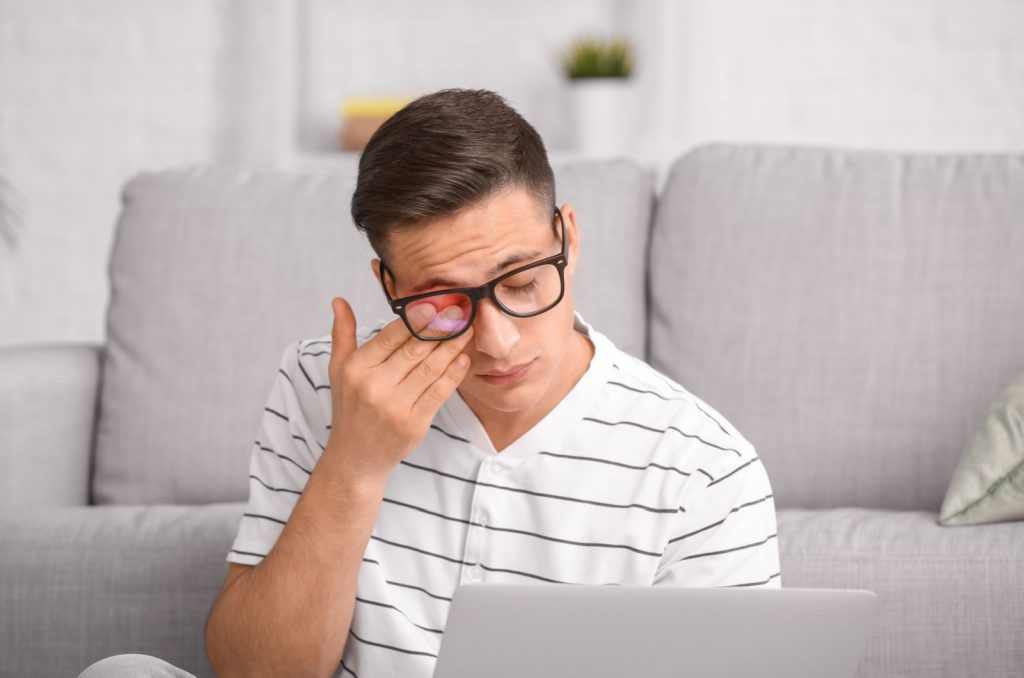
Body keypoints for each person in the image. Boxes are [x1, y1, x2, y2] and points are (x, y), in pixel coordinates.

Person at [79, 88, 780, 678]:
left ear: (567, 236)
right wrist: (355, 461)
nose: (498, 342)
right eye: (444, 303)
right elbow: (256, 671)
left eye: (525, 280)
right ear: (388, 284)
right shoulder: (320, 388)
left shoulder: (705, 470)